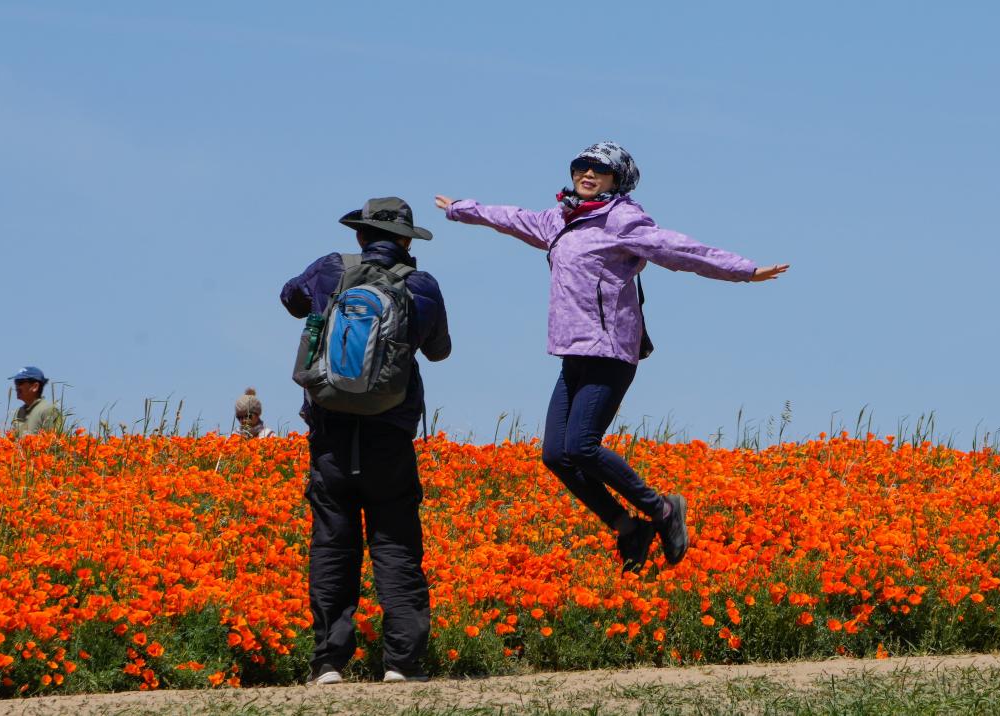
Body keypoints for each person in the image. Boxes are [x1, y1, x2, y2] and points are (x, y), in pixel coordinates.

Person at [435, 141, 788, 575]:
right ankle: (627, 528)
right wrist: (462, 209)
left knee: (582, 445)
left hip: (611, 350)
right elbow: (512, 219)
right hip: (573, 352)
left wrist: (743, 269)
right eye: (581, 166)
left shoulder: (622, 219)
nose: (587, 174)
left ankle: (662, 509)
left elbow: (678, 249)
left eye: (598, 170)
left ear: (616, 180)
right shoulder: (561, 221)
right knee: (555, 455)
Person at [280, 197, 451, 685]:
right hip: (389, 433)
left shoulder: (330, 270)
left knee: (333, 544)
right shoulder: (422, 285)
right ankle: (401, 664)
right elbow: (439, 352)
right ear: (405, 241)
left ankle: (329, 663)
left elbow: (290, 299)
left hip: (331, 431)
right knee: (395, 543)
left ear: (360, 236)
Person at [9, 366, 63, 436]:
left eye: (20, 382)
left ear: (35, 387)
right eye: (16, 382)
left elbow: (53, 442)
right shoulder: (18, 412)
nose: (17, 387)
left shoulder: (48, 410)